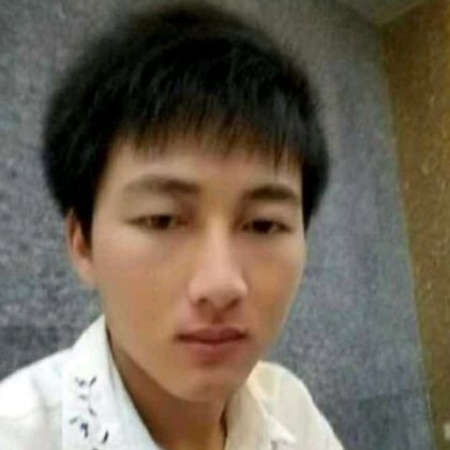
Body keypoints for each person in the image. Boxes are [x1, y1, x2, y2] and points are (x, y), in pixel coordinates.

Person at [0, 2, 344, 449]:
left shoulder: (295, 414)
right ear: (82, 243)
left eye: (263, 225)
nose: (221, 286)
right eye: (161, 220)